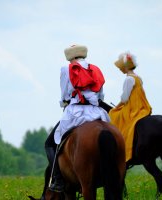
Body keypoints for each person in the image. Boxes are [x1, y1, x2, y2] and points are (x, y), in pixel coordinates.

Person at [45, 44, 110, 192]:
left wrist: (63, 103)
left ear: (71, 57)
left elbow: (64, 94)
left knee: (50, 143)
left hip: (74, 112)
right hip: (96, 112)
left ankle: (58, 180)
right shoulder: (95, 69)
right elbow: (101, 94)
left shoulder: (66, 69)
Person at [109, 52, 152, 162]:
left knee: (114, 116)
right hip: (143, 106)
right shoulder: (138, 77)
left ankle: (120, 149)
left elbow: (124, 99)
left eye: (121, 68)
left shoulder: (128, 79)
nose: (120, 69)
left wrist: (116, 107)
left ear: (125, 67)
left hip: (133, 108)